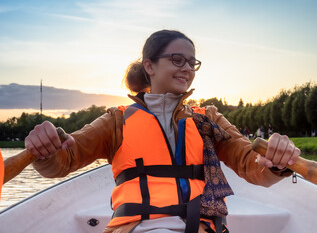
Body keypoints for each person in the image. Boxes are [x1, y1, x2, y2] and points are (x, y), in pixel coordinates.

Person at [25, 30, 300, 233]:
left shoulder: (209, 119)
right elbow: (62, 162)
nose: (187, 70)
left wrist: (275, 164)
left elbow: (250, 164)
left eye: (192, 63)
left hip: (203, 228)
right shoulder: (116, 121)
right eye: (178, 60)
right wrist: (44, 151)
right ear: (149, 65)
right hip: (134, 228)